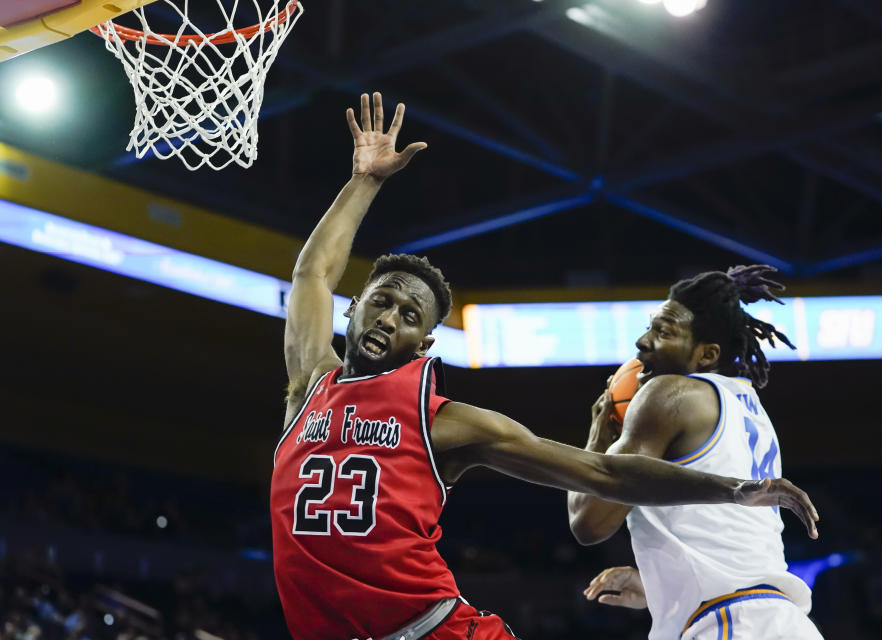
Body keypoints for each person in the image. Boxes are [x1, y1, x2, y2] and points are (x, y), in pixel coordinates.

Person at [270, 93, 819, 640]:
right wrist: (364, 181)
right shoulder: (307, 388)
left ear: (424, 342)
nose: (390, 317)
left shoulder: (442, 421)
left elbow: (601, 474)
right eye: (382, 301)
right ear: (353, 306)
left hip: (432, 631)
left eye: (409, 315)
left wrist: (732, 490)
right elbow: (311, 275)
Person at [568, 265, 825, 640]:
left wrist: (598, 436)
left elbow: (588, 522)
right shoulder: (747, 404)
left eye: (663, 331)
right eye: (649, 326)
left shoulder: (667, 394)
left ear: (706, 355)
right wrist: (658, 585)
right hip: (781, 622)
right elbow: (726, 537)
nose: (642, 342)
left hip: (733, 625)